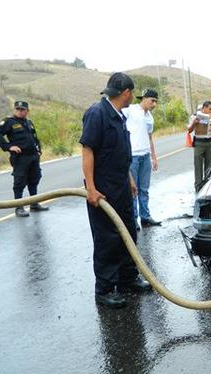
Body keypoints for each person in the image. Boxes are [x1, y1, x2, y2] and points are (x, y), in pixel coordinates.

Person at [80, 72, 151, 309]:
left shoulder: (118, 116)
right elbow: (88, 150)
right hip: (103, 191)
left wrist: (129, 178)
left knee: (128, 232)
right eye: (132, 93)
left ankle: (127, 278)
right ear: (127, 93)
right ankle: (105, 289)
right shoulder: (97, 113)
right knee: (107, 239)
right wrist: (91, 188)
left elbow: (119, 154)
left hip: (120, 186)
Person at [0, 100, 50, 217]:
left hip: (33, 157)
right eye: (17, 109)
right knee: (19, 182)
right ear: (15, 110)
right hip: (20, 158)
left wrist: (39, 150)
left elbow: (35, 138)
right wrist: (8, 147)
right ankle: (19, 207)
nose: (20, 111)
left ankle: (34, 204)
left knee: (34, 179)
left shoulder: (29, 123)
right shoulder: (9, 122)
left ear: (27, 111)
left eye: (22, 109)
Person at [122, 88, 161, 230]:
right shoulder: (130, 110)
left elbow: (150, 137)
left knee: (144, 189)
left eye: (156, 101)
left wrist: (154, 157)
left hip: (145, 156)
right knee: (133, 189)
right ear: (144, 98)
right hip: (133, 155)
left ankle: (145, 217)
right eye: (152, 100)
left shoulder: (150, 117)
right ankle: (133, 219)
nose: (154, 104)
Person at [188, 100, 211, 191]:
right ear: (204, 108)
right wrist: (194, 123)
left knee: (209, 165)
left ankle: (207, 186)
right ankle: (198, 187)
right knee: (198, 165)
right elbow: (189, 130)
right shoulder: (194, 116)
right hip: (199, 143)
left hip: (209, 143)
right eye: (210, 109)